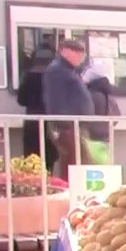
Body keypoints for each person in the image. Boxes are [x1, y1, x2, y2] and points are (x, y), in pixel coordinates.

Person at [41, 40, 94, 178]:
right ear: (65, 51)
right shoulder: (58, 71)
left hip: (74, 125)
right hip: (67, 126)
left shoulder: (68, 70)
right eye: (78, 53)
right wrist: (65, 125)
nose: (81, 58)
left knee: (77, 162)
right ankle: (69, 191)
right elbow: (55, 99)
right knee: (73, 163)